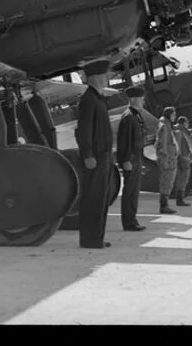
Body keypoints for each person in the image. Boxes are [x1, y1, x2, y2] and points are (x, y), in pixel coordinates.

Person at [75, 59, 115, 248]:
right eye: (105, 75)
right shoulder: (89, 99)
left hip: (104, 155)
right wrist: (87, 154)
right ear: (96, 77)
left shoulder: (98, 98)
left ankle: (97, 237)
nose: (107, 78)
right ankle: (90, 239)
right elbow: (84, 129)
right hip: (96, 156)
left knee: (101, 199)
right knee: (93, 198)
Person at [116, 86, 148, 231]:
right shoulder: (129, 117)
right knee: (130, 192)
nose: (143, 102)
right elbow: (125, 141)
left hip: (135, 159)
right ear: (134, 99)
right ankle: (129, 222)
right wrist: (126, 160)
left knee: (134, 192)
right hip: (131, 160)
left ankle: (132, 220)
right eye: (141, 99)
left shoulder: (135, 116)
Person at [155, 106, 179, 214]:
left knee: (168, 182)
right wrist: (164, 158)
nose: (175, 116)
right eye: (173, 114)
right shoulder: (164, 126)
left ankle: (165, 205)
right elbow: (162, 144)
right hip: (167, 159)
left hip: (170, 158)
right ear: (169, 114)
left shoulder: (167, 125)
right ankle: (164, 206)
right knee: (166, 182)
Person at [173, 116, 192, 207]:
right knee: (182, 178)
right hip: (183, 158)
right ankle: (179, 199)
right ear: (184, 122)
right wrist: (180, 156)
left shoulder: (182, 130)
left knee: (182, 178)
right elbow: (177, 145)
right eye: (187, 122)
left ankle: (180, 198)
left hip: (184, 157)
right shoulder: (179, 131)